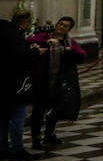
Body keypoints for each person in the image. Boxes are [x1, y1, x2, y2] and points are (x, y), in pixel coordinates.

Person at [27, 16, 87, 149]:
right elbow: (28, 42)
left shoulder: (69, 43)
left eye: (65, 26)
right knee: (38, 110)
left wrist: (62, 48)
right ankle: (36, 138)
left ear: (69, 29)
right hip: (42, 80)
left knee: (54, 110)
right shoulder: (44, 37)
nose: (61, 27)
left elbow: (81, 55)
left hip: (59, 81)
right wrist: (35, 48)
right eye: (60, 24)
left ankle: (49, 134)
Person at [0, 8, 40, 161]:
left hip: (0, 83)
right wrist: (35, 52)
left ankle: (3, 149)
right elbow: (20, 58)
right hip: (15, 83)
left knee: (3, 117)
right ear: (25, 22)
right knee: (19, 115)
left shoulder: (0, 33)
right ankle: (17, 149)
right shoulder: (15, 36)